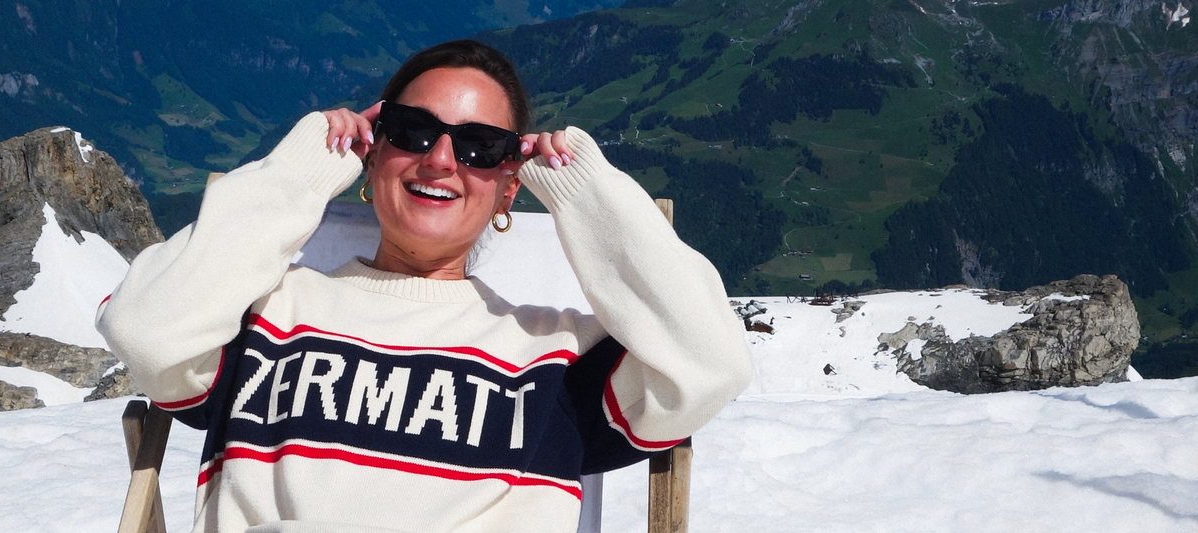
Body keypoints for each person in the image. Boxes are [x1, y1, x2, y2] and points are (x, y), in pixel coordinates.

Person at [97, 39, 752, 533]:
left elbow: (710, 361)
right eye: (412, 131)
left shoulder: (554, 358)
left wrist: (582, 187)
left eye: (480, 146)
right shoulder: (267, 315)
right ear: (373, 154)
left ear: (509, 186)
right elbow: (144, 327)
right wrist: (300, 170)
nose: (440, 159)